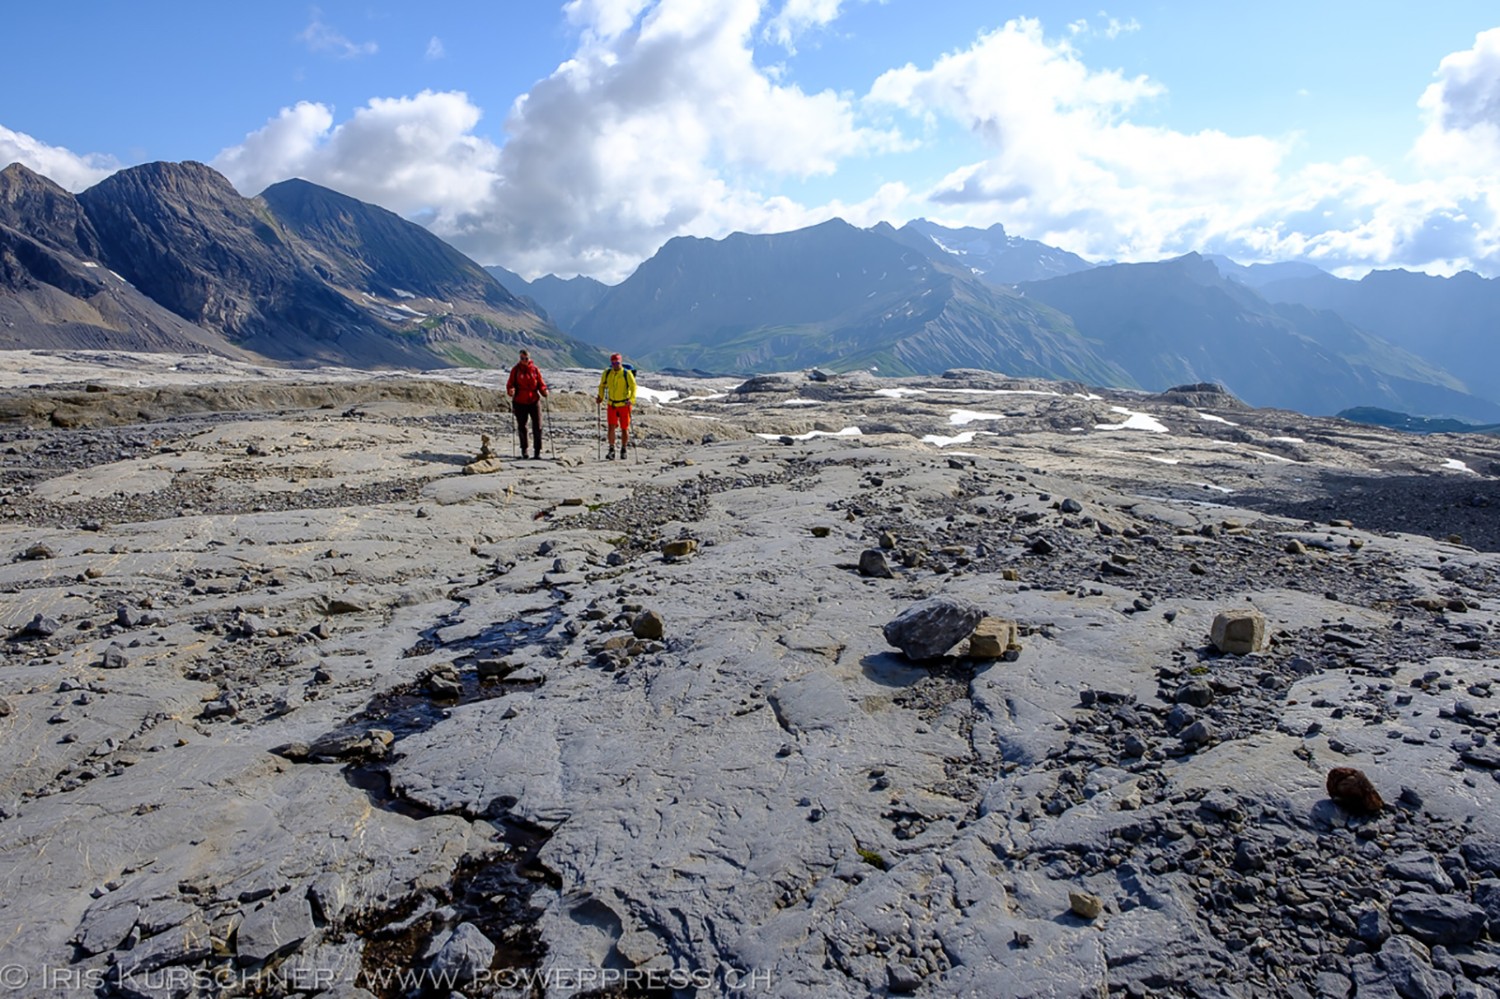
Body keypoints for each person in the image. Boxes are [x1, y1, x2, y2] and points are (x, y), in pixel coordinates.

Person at [505, 349, 548, 459]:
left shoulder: (535, 370)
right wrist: (511, 390)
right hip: (520, 402)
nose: (524, 360)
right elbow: (510, 384)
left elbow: (541, 384)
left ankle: (537, 451)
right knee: (522, 426)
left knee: (537, 426)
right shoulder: (515, 370)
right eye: (522, 358)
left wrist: (544, 390)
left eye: (526, 358)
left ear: (529, 358)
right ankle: (524, 450)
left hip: (534, 400)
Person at [596, 353, 637, 460]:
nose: (615, 365)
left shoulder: (626, 373)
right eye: (613, 363)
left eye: (617, 363)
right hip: (612, 404)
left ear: (621, 362)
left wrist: (631, 400)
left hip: (624, 404)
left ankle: (623, 449)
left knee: (624, 428)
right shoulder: (607, 372)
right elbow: (602, 385)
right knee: (611, 427)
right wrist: (600, 396)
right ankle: (611, 449)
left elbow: (633, 387)